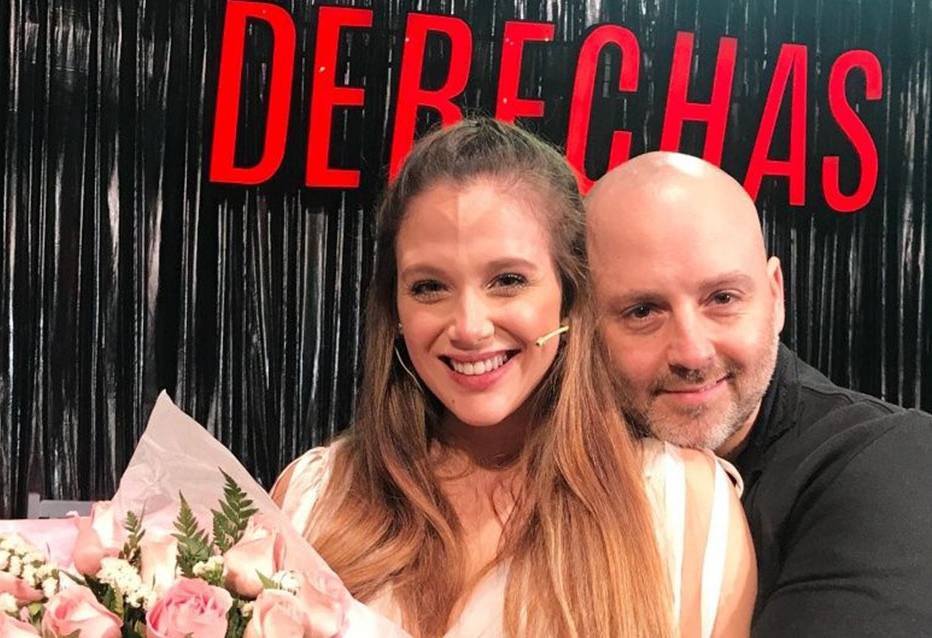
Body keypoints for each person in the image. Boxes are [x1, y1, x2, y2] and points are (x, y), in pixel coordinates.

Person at [272, 120, 755, 637]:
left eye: (507, 280)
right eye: (430, 287)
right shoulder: (312, 497)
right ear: (394, 311)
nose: (469, 327)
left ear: (569, 294)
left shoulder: (682, 505)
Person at [585, 151, 932, 637]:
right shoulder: (550, 464)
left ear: (775, 296)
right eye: (643, 311)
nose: (692, 353)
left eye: (723, 298)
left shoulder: (886, 464)